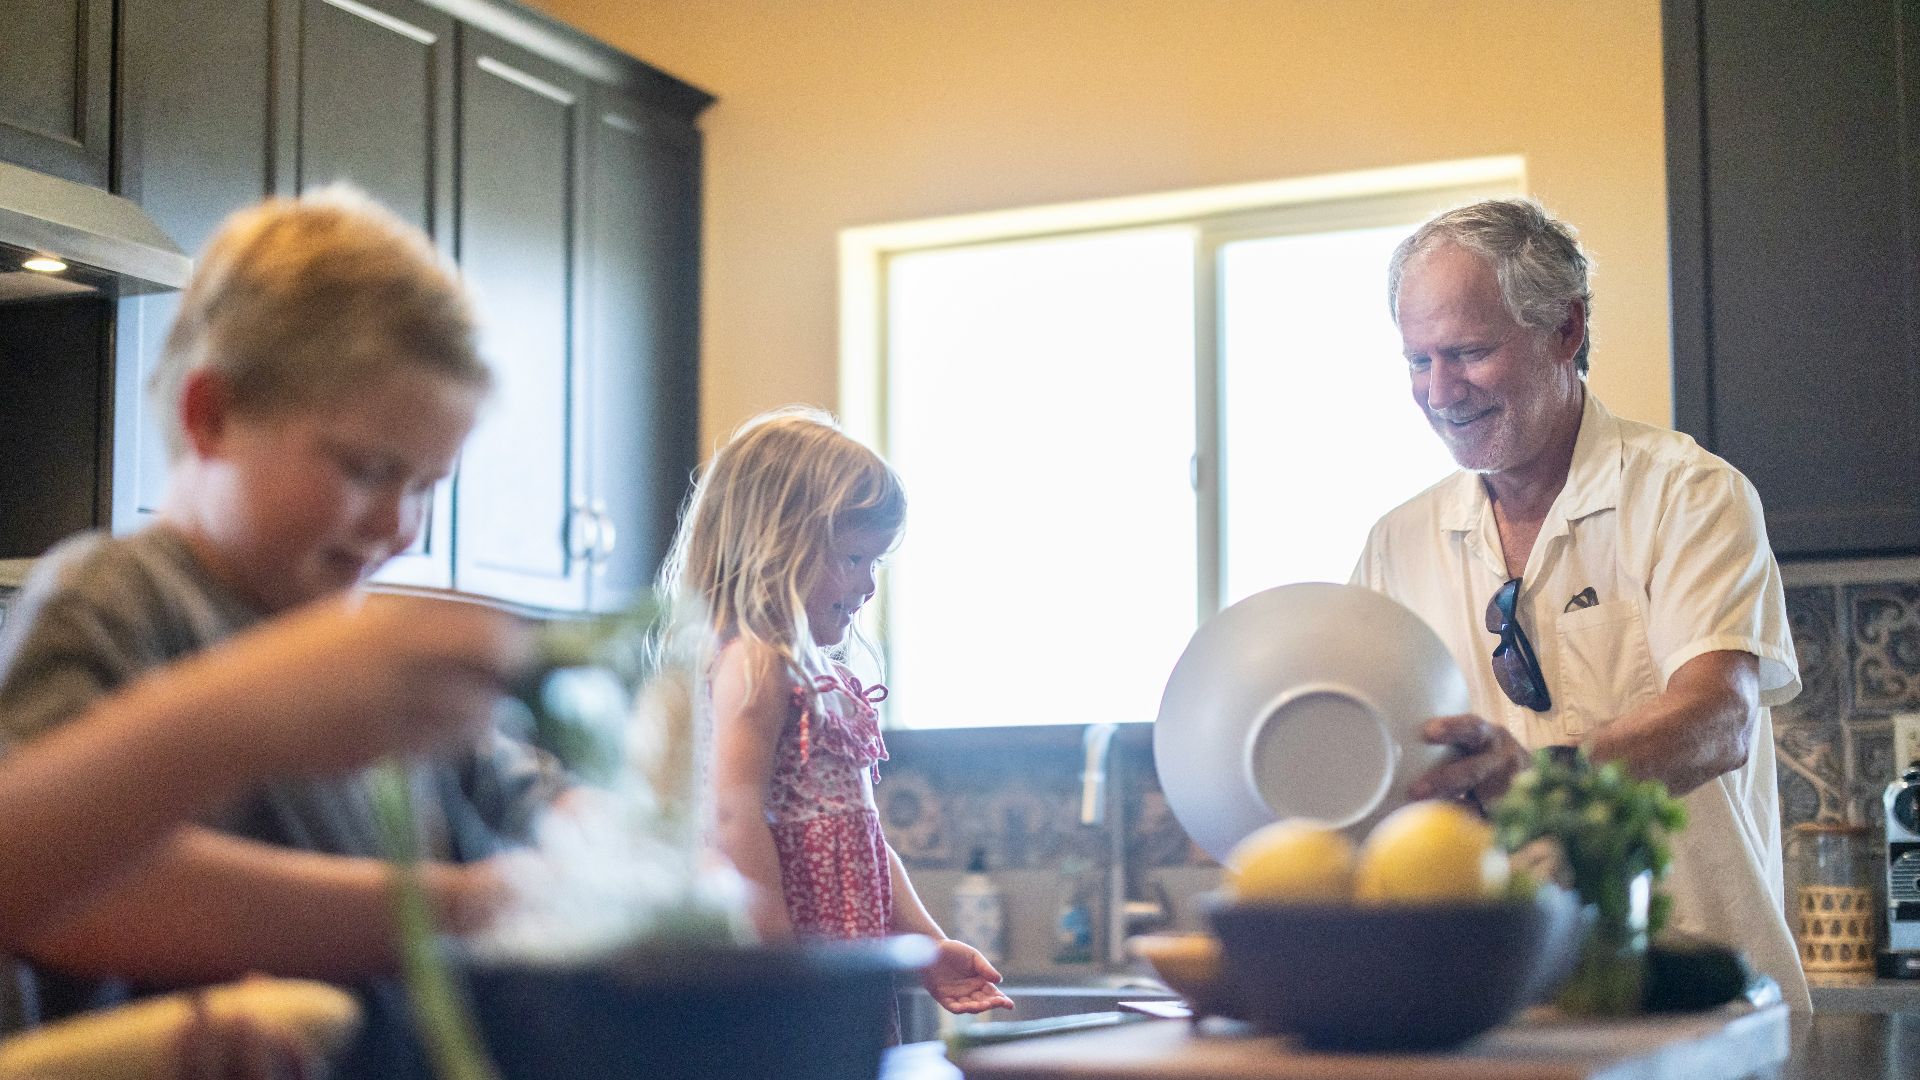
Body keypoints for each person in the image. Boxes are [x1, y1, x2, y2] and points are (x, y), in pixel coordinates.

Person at [0, 186, 566, 1076]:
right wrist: (453, 908)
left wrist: (616, 856)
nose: (399, 524)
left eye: (426, 484)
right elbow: (71, 892)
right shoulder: (120, 597)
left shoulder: (361, 653)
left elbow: (519, 791)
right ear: (212, 416)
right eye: (368, 469)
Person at [1350, 198, 1807, 1010]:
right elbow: (1369, 756)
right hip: (1503, 1014)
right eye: (1418, 361)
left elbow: (1719, 717)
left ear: (1566, 330)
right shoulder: (1397, 542)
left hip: (1700, 999)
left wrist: (1541, 784)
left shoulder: (1688, 493)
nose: (1440, 390)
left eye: (1469, 352)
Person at [0, 595, 528, 1079]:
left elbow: (503, 777)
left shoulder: (347, 640)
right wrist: (468, 906)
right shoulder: (110, 602)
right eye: (364, 481)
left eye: (424, 492)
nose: (400, 526)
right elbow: (80, 902)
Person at [659, 407, 1013, 1018]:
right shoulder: (758, 663)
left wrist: (928, 945)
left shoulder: (817, 676)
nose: (870, 585)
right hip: (796, 967)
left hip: (842, 964)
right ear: (775, 551)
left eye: (875, 563)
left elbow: (862, 835)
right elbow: (732, 817)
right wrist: (778, 960)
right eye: (854, 560)